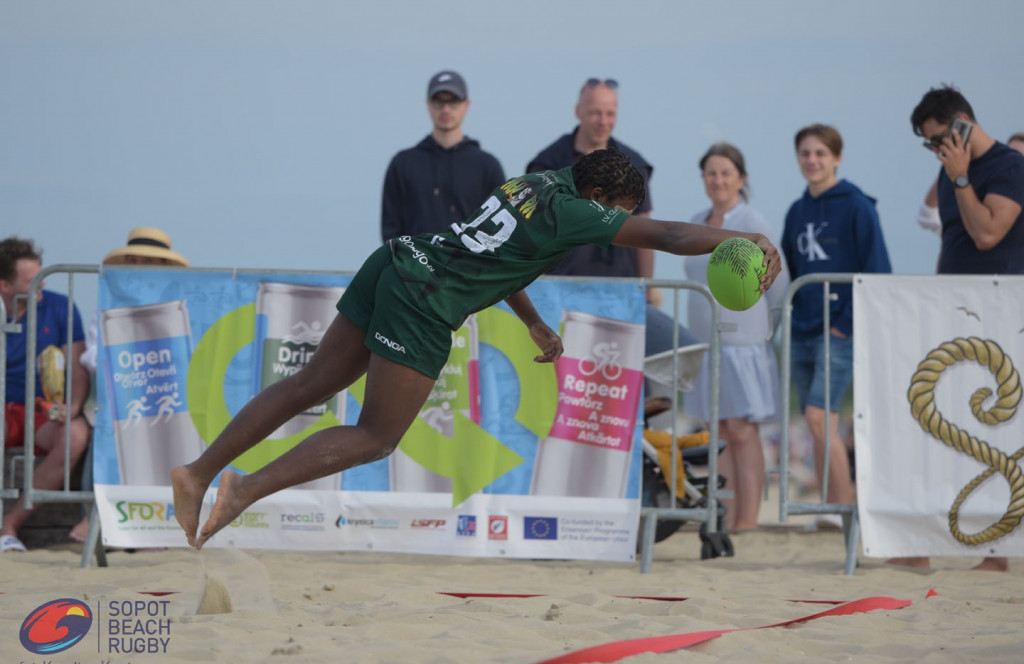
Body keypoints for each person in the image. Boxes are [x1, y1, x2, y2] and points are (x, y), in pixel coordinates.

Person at [170, 149, 782, 550]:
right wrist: (745, 236)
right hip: (425, 299)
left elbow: (499, 257)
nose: (615, 226)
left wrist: (534, 323)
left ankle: (197, 474)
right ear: (600, 195)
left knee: (308, 386)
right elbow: (670, 234)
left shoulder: (531, 182)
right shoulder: (579, 210)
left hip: (396, 261)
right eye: (616, 214)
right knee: (377, 437)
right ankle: (242, 490)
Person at [898, 86, 1024, 572]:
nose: (937, 151)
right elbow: (952, 240)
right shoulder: (954, 170)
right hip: (955, 312)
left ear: (963, 124)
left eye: (939, 139)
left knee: (994, 434)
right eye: (930, 145)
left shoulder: (1009, 168)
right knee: (936, 423)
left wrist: (960, 178)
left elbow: (987, 232)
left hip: (999, 317)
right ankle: (922, 539)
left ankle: (997, 549)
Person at [526, 77, 695, 386]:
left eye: (610, 113)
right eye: (595, 112)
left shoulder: (634, 164)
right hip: (561, 290)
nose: (602, 121)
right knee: (564, 382)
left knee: (621, 381)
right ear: (578, 111)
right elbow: (533, 228)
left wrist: (649, 287)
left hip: (618, 291)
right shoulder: (547, 162)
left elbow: (646, 225)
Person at [780, 124, 892, 528]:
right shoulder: (796, 211)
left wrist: (844, 325)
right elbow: (791, 271)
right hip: (803, 329)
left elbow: (878, 270)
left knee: (819, 417)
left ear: (837, 158)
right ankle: (831, 508)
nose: (812, 160)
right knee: (818, 423)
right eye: (806, 153)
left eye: (821, 154)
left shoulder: (858, 206)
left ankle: (845, 512)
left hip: (839, 330)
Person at [684, 143, 789, 531]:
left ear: (740, 179)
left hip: (744, 343)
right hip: (705, 341)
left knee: (744, 431)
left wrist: (764, 332)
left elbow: (779, 286)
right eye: (711, 173)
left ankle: (748, 519)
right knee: (718, 431)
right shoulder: (696, 220)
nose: (718, 180)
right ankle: (723, 516)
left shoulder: (754, 221)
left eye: (726, 173)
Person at [68, 227, 190, 543]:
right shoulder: (110, 303)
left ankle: (154, 527)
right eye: (135, 260)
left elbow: (187, 356)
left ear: (163, 268)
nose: (141, 266)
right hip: (118, 399)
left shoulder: (182, 304)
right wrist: (129, 357)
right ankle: (94, 518)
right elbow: (92, 356)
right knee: (105, 440)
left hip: (166, 400)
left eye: (149, 261)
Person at [0, 238, 90, 552]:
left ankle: (10, 526)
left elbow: (79, 368)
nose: (42, 283)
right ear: (4, 286)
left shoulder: (59, 306)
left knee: (76, 434)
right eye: (32, 280)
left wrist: (74, 406)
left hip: (39, 409)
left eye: (42, 275)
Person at [381, 70, 505, 242]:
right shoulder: (403, 164)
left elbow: (499, 227)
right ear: (428, 104)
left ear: (466, 105)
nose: (445, 109)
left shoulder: (487, 166)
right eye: (438, 101)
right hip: (417, 266)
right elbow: (390, 229)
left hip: (470, 266)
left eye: (453, 101)